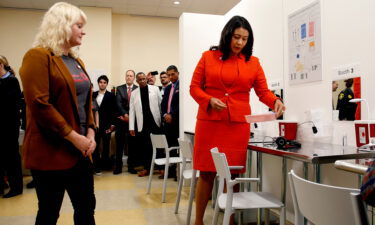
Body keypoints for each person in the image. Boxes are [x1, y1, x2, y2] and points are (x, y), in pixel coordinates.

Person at [190, 15, 285, 225]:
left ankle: (230, 221)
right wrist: (209, 100)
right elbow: (194, 88)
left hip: (237, 126)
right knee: (206, 173)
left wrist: (275, 100)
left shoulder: (253, 62)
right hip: (209, 123)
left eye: (244, 39)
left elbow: (262, 91)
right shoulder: (208, 56)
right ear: (227, 35)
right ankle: (198, 221)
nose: (240, 42)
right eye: (236, 37)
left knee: (232, 175)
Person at [19, 2, 96, 224]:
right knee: (49, 213)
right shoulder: (38, 56)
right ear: (62, 26)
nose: (84, 31)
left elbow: (85, 102)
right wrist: (74, 137)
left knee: (86, 209)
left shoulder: (76, 61)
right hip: (52, 152)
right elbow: (40, 104)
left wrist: (90, 132)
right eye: (79, 25)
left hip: (81, 152)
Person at [129, 72, 162, 177]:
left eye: (144, 79)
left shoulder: (155, 89)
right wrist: (131, 127)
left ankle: (161, 167)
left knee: (159, 146)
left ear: (146, 79)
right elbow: (132, 111)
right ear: (137, 81)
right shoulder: (134, 93)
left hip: (155, 122)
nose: (143, 81)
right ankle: (147, 168)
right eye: (140, 79)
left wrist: (163, 120)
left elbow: (161, 104)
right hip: (142, 124)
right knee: (146, 147)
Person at [0, 55, 23, 198]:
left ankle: (16, 187)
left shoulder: (12, 81)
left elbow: (9, 104)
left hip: (9, 127)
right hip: (1, 127)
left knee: (12, 157)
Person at [115, 69, 138, 174]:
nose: (129, 77)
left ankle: (131, 167)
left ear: (134, 78)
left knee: (132, 145)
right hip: (121, 121)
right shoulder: (119, 89)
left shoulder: (138, 89)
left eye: (131, 76)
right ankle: (118, 167)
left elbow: (138, 105)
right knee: (119, 145)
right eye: (127, 75)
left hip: (133, 122)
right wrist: (125, 115)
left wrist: (131, 118)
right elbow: (118, 104)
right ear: (125, 77)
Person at [92, 75, 116, 173]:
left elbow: (114, 111)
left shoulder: (111, 95)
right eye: (101, 82)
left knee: (106, 145)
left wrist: (113, 124)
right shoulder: (93, 94)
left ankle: (105, 165)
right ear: (98, 83)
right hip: (95, 124)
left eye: (104, 82)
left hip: (107, 124)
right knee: (96, 145)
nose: (102, 84)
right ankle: (96, 166)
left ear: (107, 84)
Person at [160, 65, 180, 179]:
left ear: (178, 73)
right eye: (169, 75)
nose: (171, 77)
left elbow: (180, 105)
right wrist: (165, 115)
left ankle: (178, 172)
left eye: (173, 74)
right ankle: (171, 172)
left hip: (176, 122)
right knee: (169, 147)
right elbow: (163, 105)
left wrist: (172, 115)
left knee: (177, 147)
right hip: (167, 122)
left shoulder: (181, 86)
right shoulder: (167, 88)